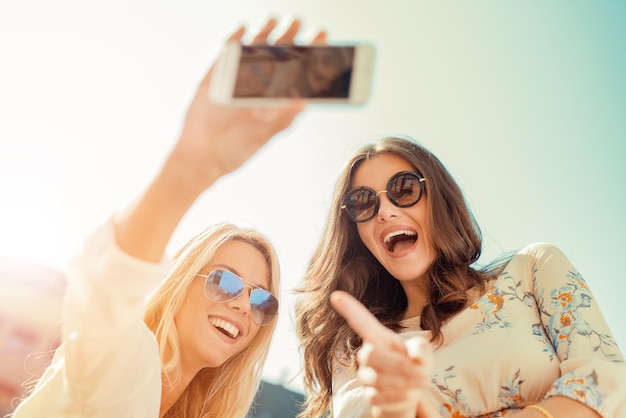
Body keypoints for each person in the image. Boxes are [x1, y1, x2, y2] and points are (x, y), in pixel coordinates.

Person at [10, 18, 324, 418]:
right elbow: (106, 289)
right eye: (225, 281)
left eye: (262, 300)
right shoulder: (127, 360)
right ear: (178, 284)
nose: (245, 305)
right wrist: (190, 167)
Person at [295, 136, 626, 417]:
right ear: (357, 232)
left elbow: (607, 382)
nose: (385, 212)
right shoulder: (357, 347)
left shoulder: (534, 268)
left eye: (405, 188)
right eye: (363, 202)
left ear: (440, 199)